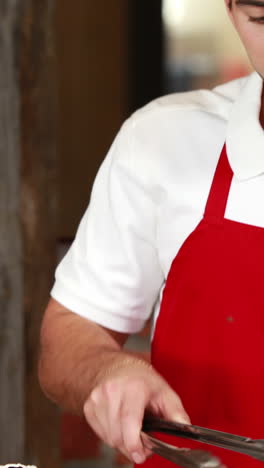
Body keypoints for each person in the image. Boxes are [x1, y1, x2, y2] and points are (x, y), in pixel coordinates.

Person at [39, 0, 264, 466]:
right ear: (231, 9)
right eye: (262, 18)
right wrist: (106, 370)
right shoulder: (164, 138)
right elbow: (68, 337)